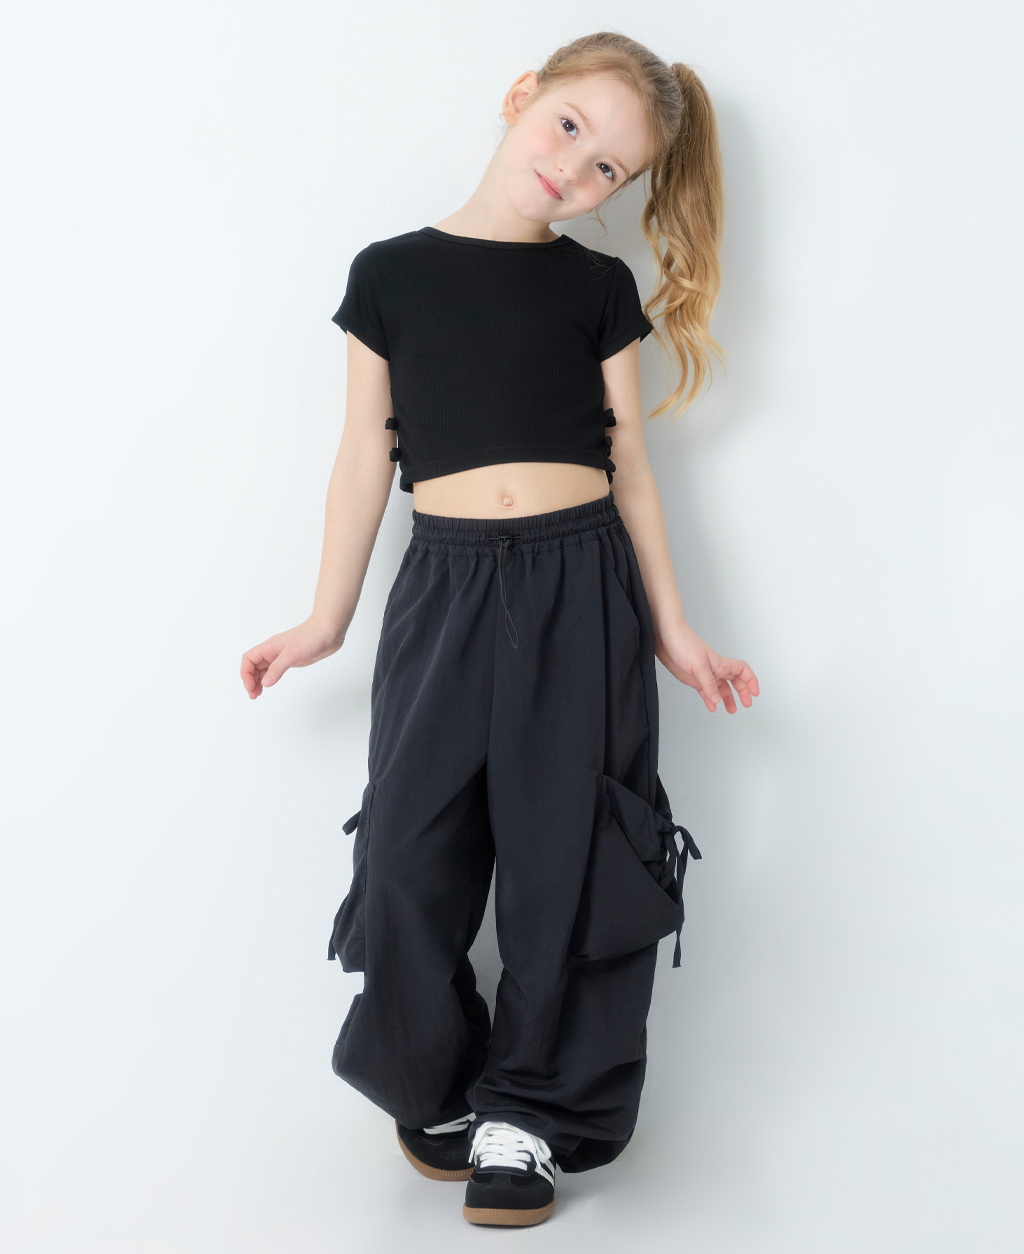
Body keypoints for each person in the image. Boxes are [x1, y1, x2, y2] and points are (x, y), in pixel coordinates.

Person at [241, 30, 758, 1229]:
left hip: (583, 583)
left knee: (565, 850)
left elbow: (633, 469)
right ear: (522, 95)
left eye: (607, 169)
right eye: (569, 127)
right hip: (445, 585)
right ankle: (434, 1086)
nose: (574, 170)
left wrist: (675, 629)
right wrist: (325, 618)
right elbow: (362, 459)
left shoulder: (595, 288)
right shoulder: (390, 273)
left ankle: (527, 1114)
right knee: (407, 848)